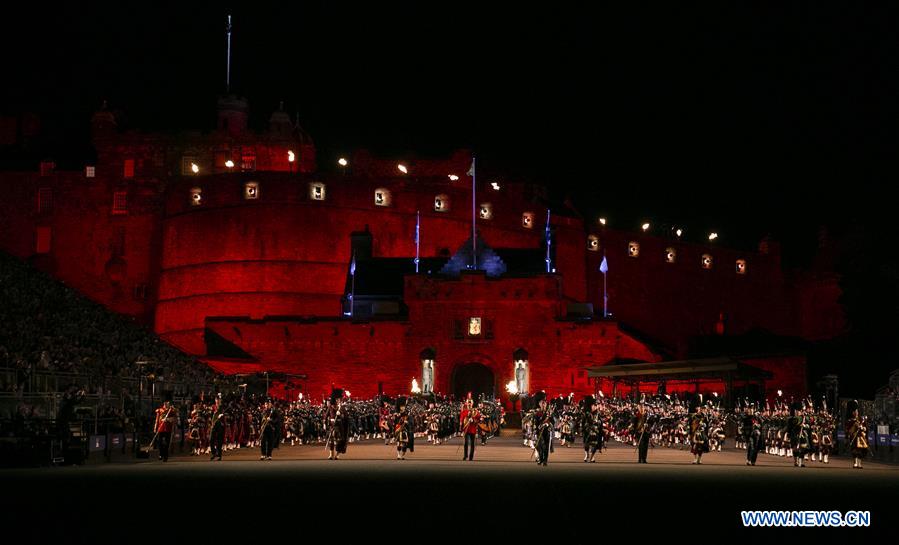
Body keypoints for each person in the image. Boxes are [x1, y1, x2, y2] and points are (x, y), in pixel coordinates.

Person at [845, 400, 868, 469]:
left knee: (861, 450)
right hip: (854, 437)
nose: (856, 413)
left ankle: (859, 463)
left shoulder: (861, 420)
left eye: (856, 411)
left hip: (861, 437)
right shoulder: (850, 421)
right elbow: (848, 429)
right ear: (852, 413)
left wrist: (863, 428)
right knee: (854, 450)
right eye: (855, 411)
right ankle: (855, 463)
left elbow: (866, 428)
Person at [327, 389, 349, 460]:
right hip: (332, 424)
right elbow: (326, 415)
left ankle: (337, 454)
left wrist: (341, 414)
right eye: (336, 399)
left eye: (339, 399)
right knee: (332, 439)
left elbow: (345, 417)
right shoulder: (330, 407)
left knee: (340, 440)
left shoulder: (342, 407)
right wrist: (327, 421)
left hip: (340, 425)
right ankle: (331, 454)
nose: (338, 400)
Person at [581, 396, 604, 463]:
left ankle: (592, 456)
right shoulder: (586, 413)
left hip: (595, 431)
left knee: (594, 445)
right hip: (587, 430)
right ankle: (586, 454)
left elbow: (601, 421)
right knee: (586, 444)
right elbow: (583, 422)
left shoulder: (598, 413)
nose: (595, 407)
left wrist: (600, 424)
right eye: (594, 405)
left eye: (595, 405)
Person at [533, 392, 553, 466]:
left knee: (546, 446)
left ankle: (545, 460)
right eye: (542, 403)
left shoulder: (549, 413)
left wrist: (547, 423)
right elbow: (535, 422)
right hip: (539, 431)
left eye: (544, 403)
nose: (543, 404)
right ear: (539, 404)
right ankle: (540, 459)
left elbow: (553, 422)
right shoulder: (537, 413)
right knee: (541, 446)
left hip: (547, 431)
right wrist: (537, 426)